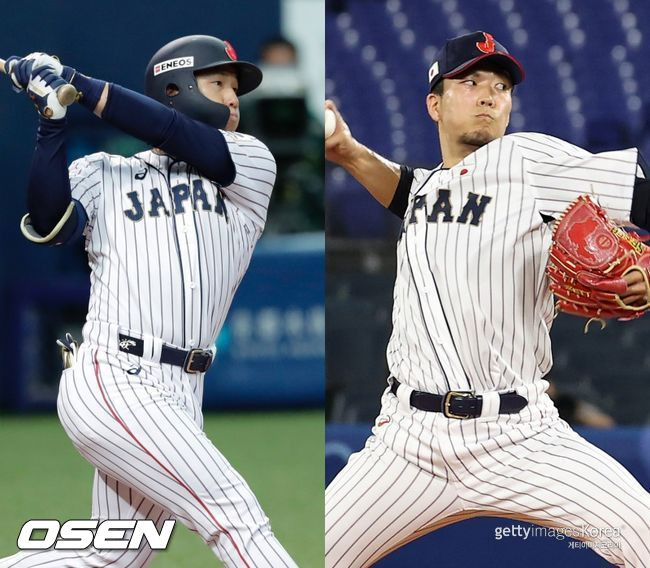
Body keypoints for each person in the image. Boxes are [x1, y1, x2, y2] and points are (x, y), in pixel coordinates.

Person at [324, 30, 650, 567]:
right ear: (434, 104)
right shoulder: (430, 188)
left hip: (521, 437)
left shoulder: (528, 161)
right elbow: (411, 192)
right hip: (408, 443)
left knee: (641, 537)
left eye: (500, 85)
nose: (488, 94)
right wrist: (352, 155)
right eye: (469, 81)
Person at [0, 35, 297, 568]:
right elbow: (48, 224)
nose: (233, 98)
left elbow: (173, 133)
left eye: (236, 88)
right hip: (114, 375)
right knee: (235, 517)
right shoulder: (103, 174)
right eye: (219, 83)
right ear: (175, 87)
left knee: (109, 559)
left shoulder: (249, 162)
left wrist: (79, 85)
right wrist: (52, 119)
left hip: (182, 392)